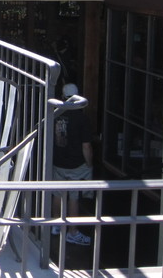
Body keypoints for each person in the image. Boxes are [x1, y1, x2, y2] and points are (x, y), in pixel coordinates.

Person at [52, 82, 94, 246]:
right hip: (76, 164)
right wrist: (90, 164)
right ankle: (72, 232)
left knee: (57, 194)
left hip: (58, 162)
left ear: (63, 97)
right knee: (74, 198)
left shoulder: (55, 115)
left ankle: (55, 225)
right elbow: (86, 146)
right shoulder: (82, 119)